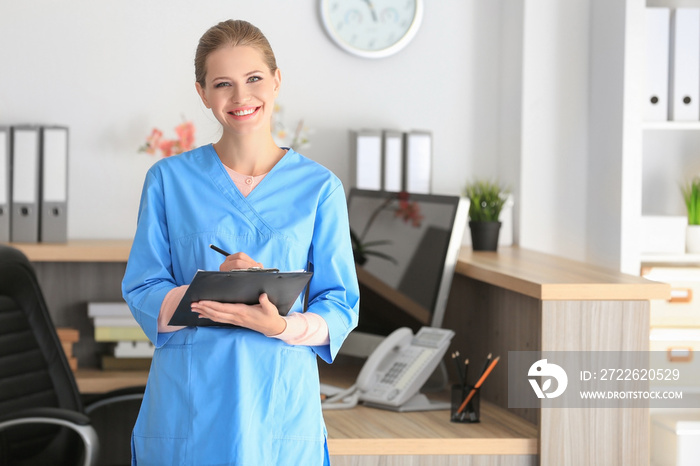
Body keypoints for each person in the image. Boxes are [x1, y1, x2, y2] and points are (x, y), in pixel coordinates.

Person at [121, 19, 360, 465]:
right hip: (188, 407)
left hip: (280, 409)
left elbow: (340, 304)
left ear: (276, 81)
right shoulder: (169, 181)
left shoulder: (320, 188)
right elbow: (141, 289)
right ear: (202, 93)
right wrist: (207, 290)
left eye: (253, 79)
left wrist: (281, 327)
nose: (241, 97)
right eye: (222, 84)